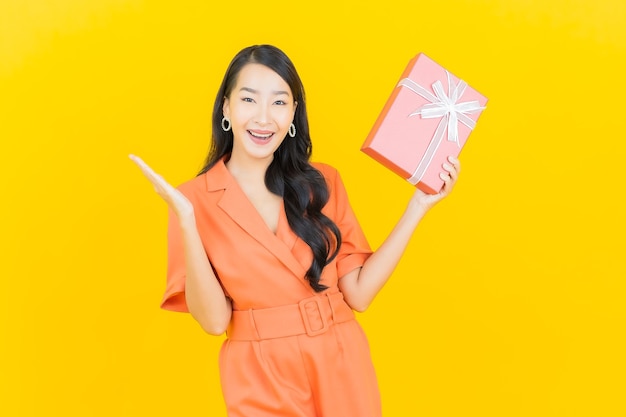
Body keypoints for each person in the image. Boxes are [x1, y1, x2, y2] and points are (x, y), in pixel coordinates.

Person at [130, 44, 460, 417]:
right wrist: (188, 221)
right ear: (226, 107)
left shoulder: (323, 182)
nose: (263, 118)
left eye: (279, 102)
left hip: (340, 359)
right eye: (249, 99)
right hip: (259, 373)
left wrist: (418, 206)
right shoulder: (189, 201)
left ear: (292, 115)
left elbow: (360, 294)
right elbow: (214, 321)